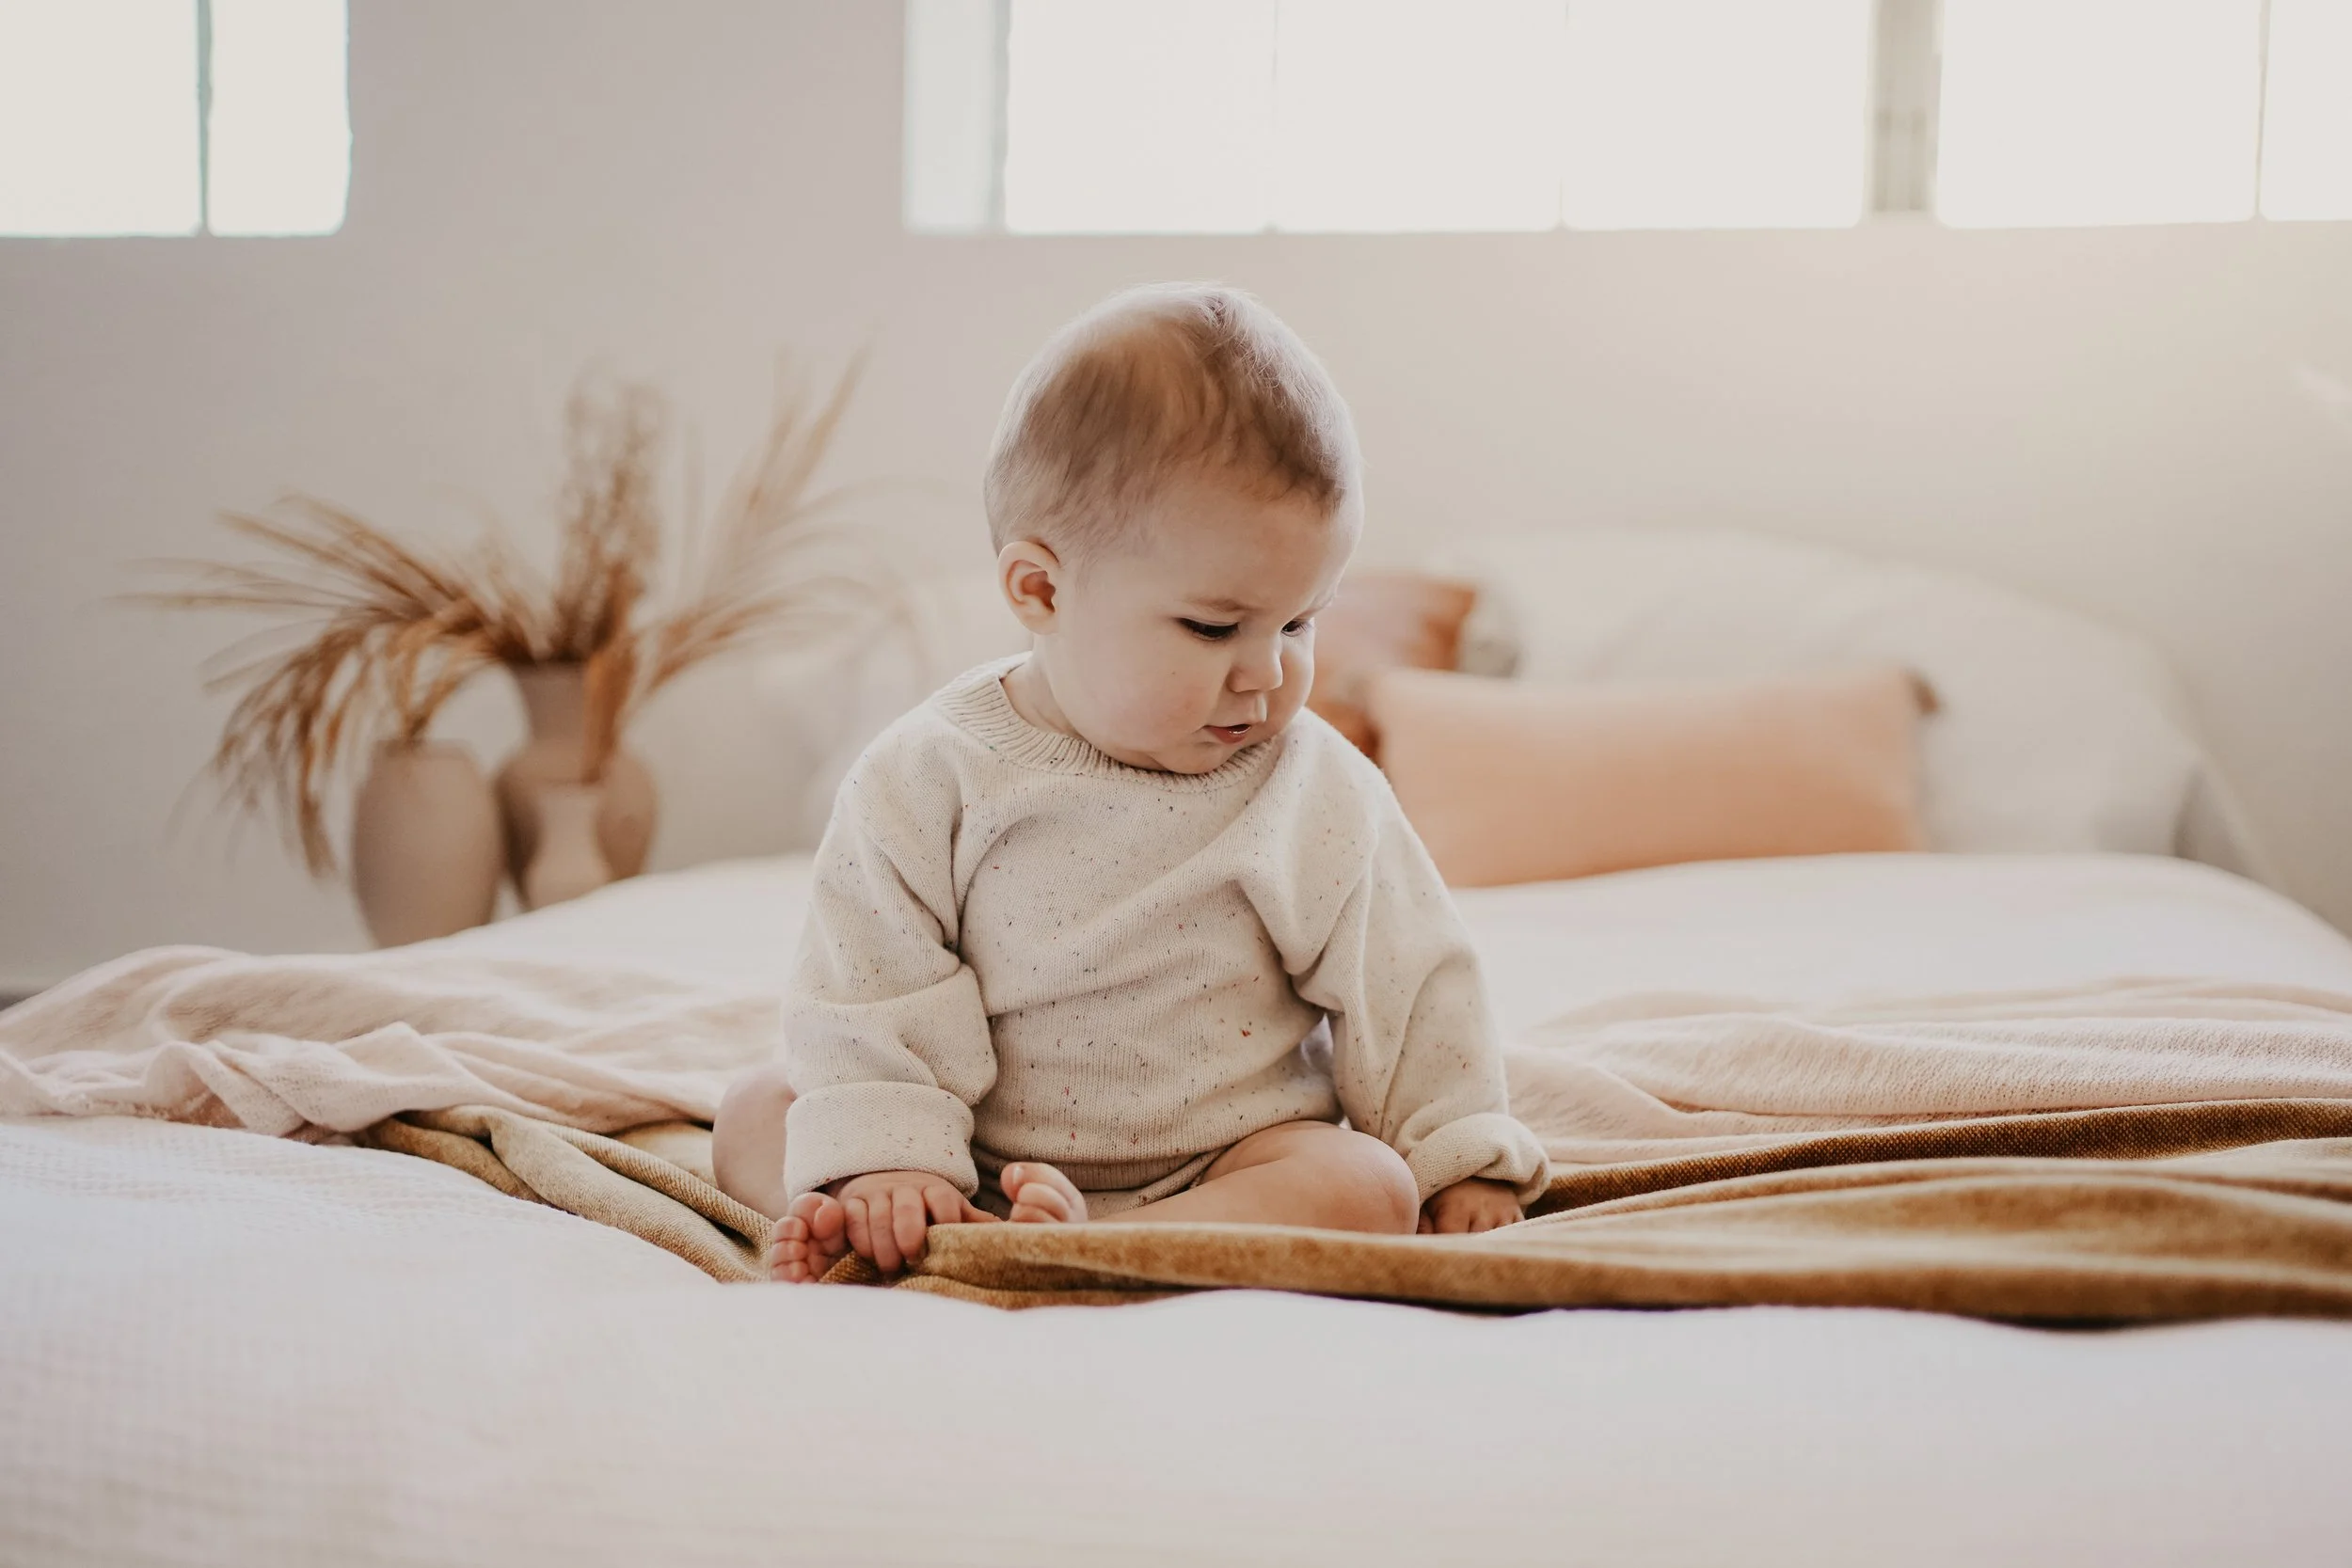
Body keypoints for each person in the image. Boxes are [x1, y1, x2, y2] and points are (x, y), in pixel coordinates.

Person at [711, 282, 1548, 1282]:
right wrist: (890, 1157)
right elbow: (865, 978)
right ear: (1042, 589)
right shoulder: (927, 772)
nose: (1267, 673)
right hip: (964, 1151)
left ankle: (1094, 1249)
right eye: (1212, 627)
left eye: (1298, 622)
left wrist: (1460, 1155)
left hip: (1225, 1163)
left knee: (1367, 1185)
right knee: (759, 1109)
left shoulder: (1310, 784)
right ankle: (920, 1215)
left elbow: (1409, 975)